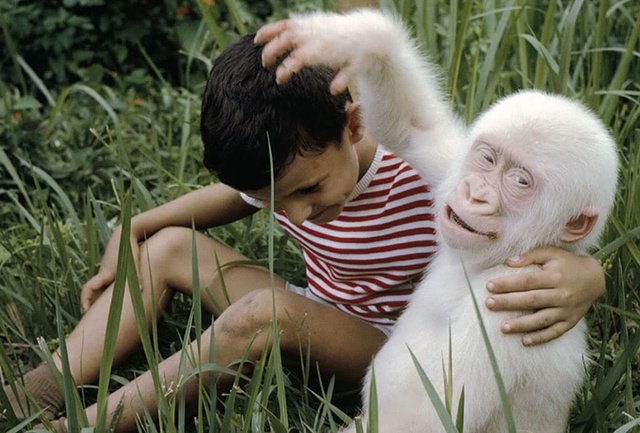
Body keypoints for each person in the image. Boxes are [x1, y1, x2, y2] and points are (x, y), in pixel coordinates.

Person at [3, 32, 604, 433]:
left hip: (395, 350)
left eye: (309, 191)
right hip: (320, 312)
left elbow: (523, 227)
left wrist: (587, 273)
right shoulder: (289, 164)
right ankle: (40, 389)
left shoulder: (432, 170)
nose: (293, 214)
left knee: (266, 312)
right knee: (168, 248)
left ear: (355, 122)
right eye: (273, 201)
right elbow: (230, 199)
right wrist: (136, 225)